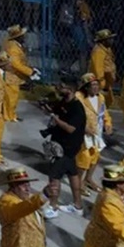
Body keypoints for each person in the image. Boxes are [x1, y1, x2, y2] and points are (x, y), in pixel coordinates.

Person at [41, 76, 88, 220]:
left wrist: (56, 120)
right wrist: (46, 107)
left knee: (54, 176)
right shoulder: (64, 102)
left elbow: (70, 129)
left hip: (66, 146)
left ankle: (53, 207)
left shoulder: (77, 108)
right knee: (72, 173)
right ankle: (77, 206)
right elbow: (53, 110)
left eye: (61, 86)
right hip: (63, 144)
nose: (58, 88)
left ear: (70, 90)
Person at [0, 168, 48, 247]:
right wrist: (42, 197)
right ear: (13, 186)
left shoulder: (27, 199)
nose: (27, 189)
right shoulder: (5, 202)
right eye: (23, 185)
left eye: (28, 185)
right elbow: (19, 209)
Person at [78, 74, 113, 194]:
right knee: (84, 158)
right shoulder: (79, 98)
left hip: (96, 131)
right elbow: (74, 116)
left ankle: (88, 179)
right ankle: (78, 182)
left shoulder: (100, 98)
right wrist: (83, 128)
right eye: (93, 85)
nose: (96, 87)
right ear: (86, 87)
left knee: (96, 156)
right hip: (84, 133)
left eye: (97, 84)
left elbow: (104, 112)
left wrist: (108, 123)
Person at [89, 29, 118, 108]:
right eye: (109, 39)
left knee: (107, 103)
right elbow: (98, 70)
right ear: (103, 41)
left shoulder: (107, 49)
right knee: (98, 104)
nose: (112, 41)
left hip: (107, 81)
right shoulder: (98, 51)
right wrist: (101, 85)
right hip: (100, 83)